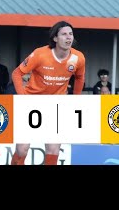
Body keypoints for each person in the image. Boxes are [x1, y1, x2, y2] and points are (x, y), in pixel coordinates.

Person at [9, 20, 86, 165]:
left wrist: (75, 101)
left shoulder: (78, 58)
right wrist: (23, 98)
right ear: (55, 38)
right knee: (22, 150)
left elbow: (80, 78)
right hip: (32, 103)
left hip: (56, 107)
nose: (68, 37)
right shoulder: (40, 54)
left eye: (71, 34)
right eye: (64, 34)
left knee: (53, 150)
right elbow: (16, 74)